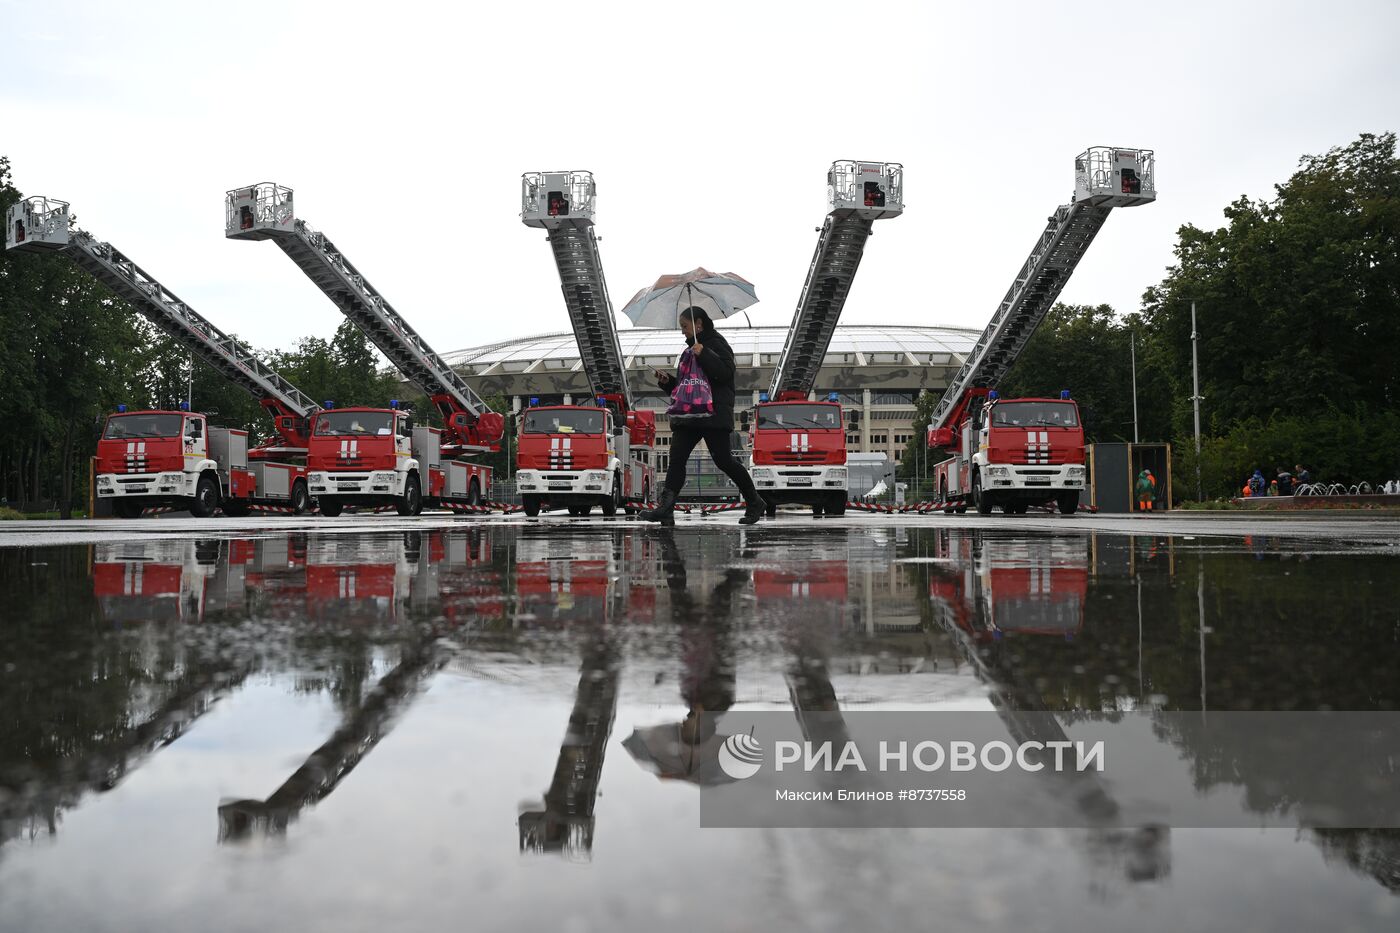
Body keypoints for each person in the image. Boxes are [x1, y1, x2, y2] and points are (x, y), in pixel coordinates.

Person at [641, 307, 766, 525]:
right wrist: (667, 382)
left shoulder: (716, 343)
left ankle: (754, 501)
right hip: (689, 415)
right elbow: (686, 387)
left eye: (685, 326)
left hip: (712, 414)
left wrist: (705, 353)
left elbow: (726, 374)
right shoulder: (688, 351)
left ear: (698, 324)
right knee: (677, 459)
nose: (683, 332)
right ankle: (666, 508)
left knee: (724, 460)